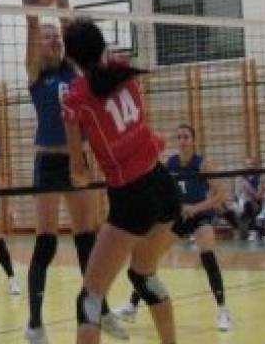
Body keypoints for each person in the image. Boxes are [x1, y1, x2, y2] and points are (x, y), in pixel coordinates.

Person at [16, 0, 126, 343]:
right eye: (47, 37)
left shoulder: (73, 71)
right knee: (46, 241)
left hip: (76, 161)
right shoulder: (36, 73)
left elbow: (69, 23)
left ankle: (102, 310)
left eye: (55, 36)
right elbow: (32, 24)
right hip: (48, 162)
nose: (52, 38)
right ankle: (34, 322)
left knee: (86, 238)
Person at [61, 19, 179, 344]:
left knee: (90, 297)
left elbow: (78, 170)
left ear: (71, 58)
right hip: (164, 186)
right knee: (144, 276)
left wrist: (81, 175)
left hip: (131, 195)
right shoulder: (123, 69)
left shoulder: (75, 98)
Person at [114, 124, 232, 332]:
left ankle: (223, 311)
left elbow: (221, 195)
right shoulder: (171, 163)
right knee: (149, 259)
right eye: (179, 137)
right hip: (179, 216)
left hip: (200, 215)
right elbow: (165, 192)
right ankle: (132, 306)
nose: (182, 141)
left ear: (193, 140)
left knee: (208, 255)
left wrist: (195, 208)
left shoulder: (203, 164)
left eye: (186, 137)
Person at [221, 159, 262, 241]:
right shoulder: (241, 178)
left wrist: (248, 188)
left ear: (255, 166)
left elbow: (258, 196)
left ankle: (251, 231)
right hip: (240, 202)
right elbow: (235, 195)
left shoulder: (259, 178)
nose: (249, 166)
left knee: (247, 205)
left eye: (252, 164)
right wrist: (233, 201)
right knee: (224, 208)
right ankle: (240, 229)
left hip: (253, 203)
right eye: (247, 164)